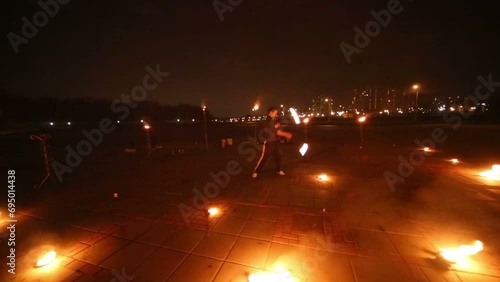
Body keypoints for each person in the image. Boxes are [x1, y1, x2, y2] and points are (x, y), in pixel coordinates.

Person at [252, 106, 293, 178]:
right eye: (275, 112)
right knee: (265, 158)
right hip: (269, 142)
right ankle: (256, 171)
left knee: (278, 155)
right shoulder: (268, 120)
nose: (276, 114)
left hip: (275, 142)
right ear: (271, 112)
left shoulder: (273, 120)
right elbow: (277, 132)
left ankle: (278, 170)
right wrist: (286, 134)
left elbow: (276, 129)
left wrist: (278, 126)